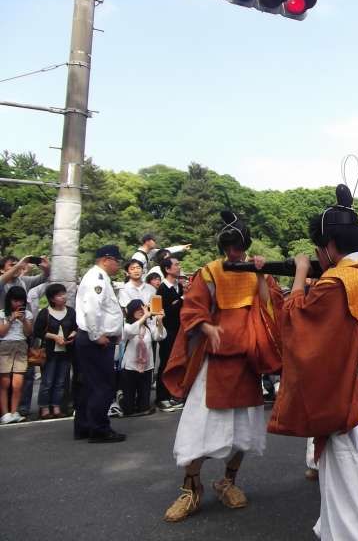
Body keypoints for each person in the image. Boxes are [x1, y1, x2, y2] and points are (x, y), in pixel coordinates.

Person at [269, 185, 358, 541]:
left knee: (348, 481)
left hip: (347, 391)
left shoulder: (334, 284)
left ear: (328, 246)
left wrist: (299, 274)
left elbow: (298, 326)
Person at [161, 210, 282, 523]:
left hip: (248, 362)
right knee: (199, 429)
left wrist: (259, 273)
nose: (233, 251)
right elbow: (192, 309)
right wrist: (206, 327)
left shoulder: (259, 270)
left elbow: (274, 307)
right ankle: (190, 488)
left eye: (237, 245)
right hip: (214, 364)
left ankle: (227, 480)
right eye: (228, 245)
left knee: (245, 432)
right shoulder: (210, 272)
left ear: (245, 244)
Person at [74, 245, 126, 443]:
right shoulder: (97, 278)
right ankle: (99, 428)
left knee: (90, 384)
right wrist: (97, 335)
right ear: (106, 259)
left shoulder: (99, 277)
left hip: (95, 337)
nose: (118, 265)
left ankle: (85, 426)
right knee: (102, 385)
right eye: (116, 261)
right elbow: (92, 309)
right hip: (96, 339)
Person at [33, 284, 77, 419]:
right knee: (47, 381)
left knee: (61, 381)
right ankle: (45, 408)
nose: (63, 297)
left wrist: (72, 335)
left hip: (65, 351)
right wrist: (54, 337)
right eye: (59, 295)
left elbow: (76, 327)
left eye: (64, 294)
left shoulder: (70, 312)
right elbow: (38, 331)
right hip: (50, 352)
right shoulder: (45, 312)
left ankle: (56, 406)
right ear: (52, 299)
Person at [119, 299, 164, 416]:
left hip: (147, 367)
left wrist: (159, 321)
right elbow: (129, 332)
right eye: (137, 310)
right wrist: (144, 317)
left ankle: (141, 405)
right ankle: (123, 400)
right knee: (128, 406)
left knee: (144, 406)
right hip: (130, 367)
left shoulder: (148, 327)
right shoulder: (127, 325)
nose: (141, 312)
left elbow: (159, 336)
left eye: (142, 309)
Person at [0, 286, 34, 424]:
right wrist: (11, 319)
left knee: (18, 383)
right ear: (9, 300)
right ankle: (5, 414)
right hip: (5, 345)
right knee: (4, 382)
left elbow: (28, 332)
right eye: (15, 301)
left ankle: (14, 412)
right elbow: (1, 333)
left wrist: (24, 320)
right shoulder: (2, 313)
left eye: (21, 301)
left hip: (21, 345)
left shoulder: (28, 314)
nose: (18, 304)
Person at [156, 257, 184, 411]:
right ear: (167, 269)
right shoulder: (162, 289)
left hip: (180, 330)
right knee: (166, 363)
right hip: (167, 331)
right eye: (176, 264)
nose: (179, 267)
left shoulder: (179, 286)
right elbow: (164, 312)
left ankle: (175, 394)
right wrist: (181, 300)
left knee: (178, 363)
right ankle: (162, 397)